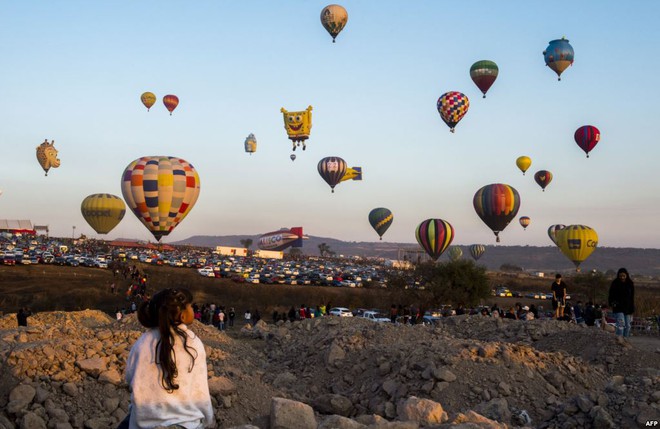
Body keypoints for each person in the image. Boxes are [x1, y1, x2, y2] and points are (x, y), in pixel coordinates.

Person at [121, 288, 214, 428]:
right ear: (182, 316)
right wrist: (207, 419)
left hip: (144, 424)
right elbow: (201, 393)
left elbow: (129, 378)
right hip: (186, 424)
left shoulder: (142, 343)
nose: (193, 310)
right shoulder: (193, 343)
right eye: (191, 307)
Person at [608, 268, 635, 337]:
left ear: (626, 275)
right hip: (618, 308)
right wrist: (612, 303)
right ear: (618, 276)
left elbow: (632, 297)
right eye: (620, 276)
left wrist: (632, 308)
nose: (622, 277)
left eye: (623, 276)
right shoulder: (615, 283)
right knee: (620, 325)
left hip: (627, 308)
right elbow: (611, 295)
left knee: (628, 326)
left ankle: (625, 340)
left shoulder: (630, 283)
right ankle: (619, 340)